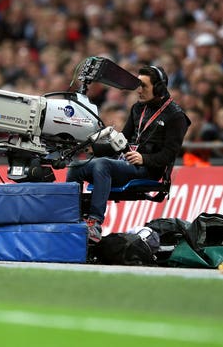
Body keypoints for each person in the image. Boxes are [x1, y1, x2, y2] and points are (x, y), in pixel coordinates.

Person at [67, 66, 190, 243]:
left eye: (144, 86)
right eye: (138, 85)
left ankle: (95, 224)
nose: (139, 90)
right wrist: (91, 148)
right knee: (76, 167)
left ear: (159, 88)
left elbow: (170, 155)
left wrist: (144, 159)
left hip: (148, 170)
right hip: (125, 165)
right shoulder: (137, 108)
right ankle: (71, 217)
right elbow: (121, 142)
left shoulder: (176, 116)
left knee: (102, 165)